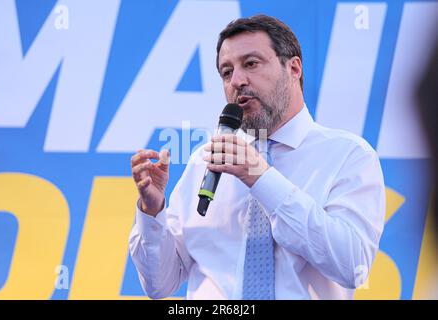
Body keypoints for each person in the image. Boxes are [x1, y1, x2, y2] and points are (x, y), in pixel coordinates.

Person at [129, 15, 385, 300]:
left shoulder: (348, 155)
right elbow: (159, 284)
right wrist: (152, 210)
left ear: (294, 67)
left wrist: (261, 178)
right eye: (226, 72)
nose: (237, 81)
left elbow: (353, 267)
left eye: (251, 63)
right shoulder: (205, 161)